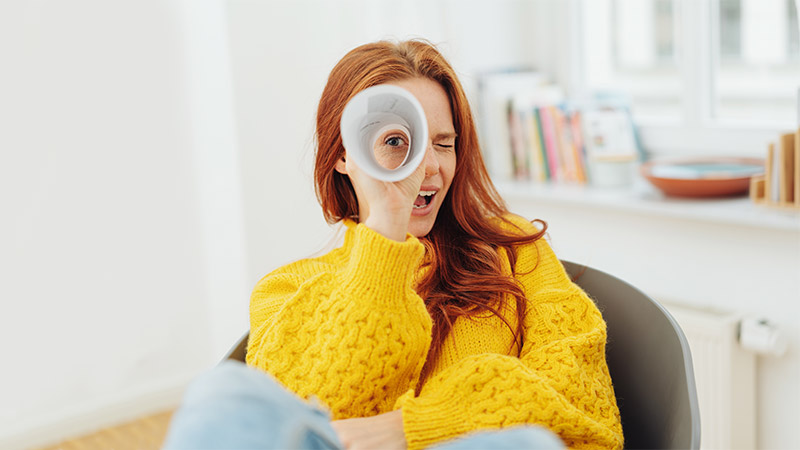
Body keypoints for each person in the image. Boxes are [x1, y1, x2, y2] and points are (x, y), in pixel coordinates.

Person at [164, 39, 623, 450]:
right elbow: (307, 418)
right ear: (346, 153)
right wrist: (385, 226)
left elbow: (580, 397)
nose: (426, 168)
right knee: (220, 393)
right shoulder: (285, 290)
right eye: (397, 143)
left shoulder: (513, 249)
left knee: (527, 447)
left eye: (443, 144)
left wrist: (414, 425)